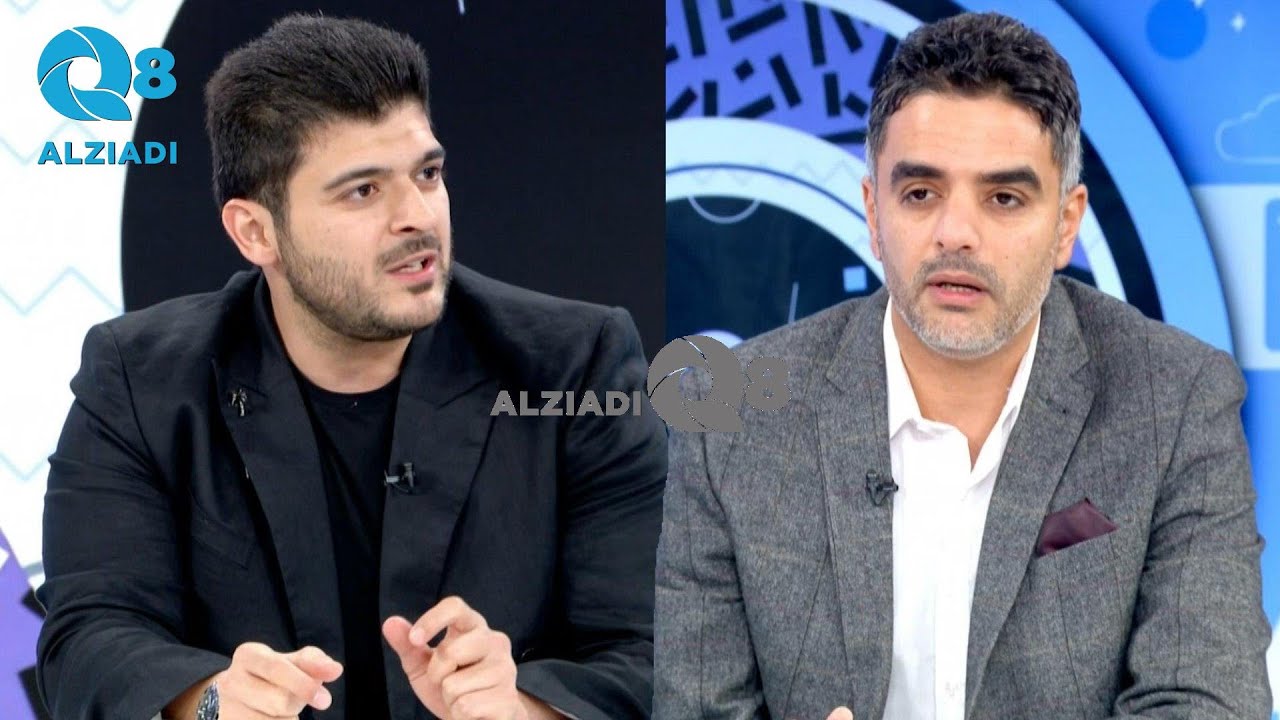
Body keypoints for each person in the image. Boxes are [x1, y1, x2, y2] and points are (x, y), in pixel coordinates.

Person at [37, 14, 666, 720]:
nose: (417, 217)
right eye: (363, 190)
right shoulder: (139, 381)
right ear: (256, 232)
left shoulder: (575, 368)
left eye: (427, 174)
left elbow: (658, 650)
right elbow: (88, 640)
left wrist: (525, 710)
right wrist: (207, 702)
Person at [654, 11, 1270, 720]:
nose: (956, 234)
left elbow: (1203, 703)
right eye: (921, 194)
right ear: (873, 212)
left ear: (1067, 224)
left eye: (1004, 198)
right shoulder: (731, 418)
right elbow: (697, 706)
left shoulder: (1176, 402)